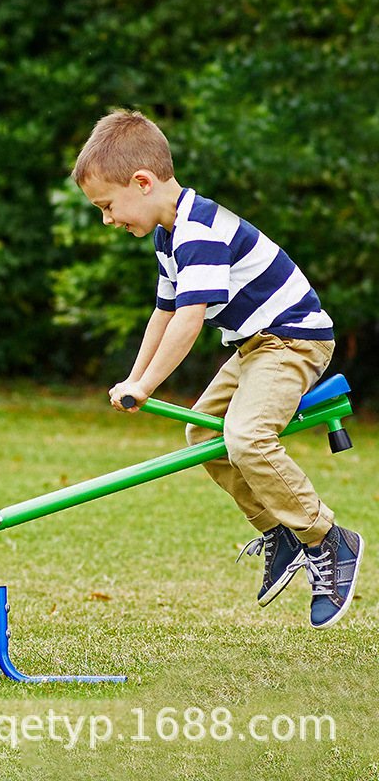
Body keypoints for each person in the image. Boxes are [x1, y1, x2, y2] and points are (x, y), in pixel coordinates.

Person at [71, 109, 363, 629]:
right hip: (253, 347)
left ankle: (328, 540)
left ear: (142, 182)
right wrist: (133, 380)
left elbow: (188, 319)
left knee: (247, 437)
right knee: (200, 435)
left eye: (108, 206)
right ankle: (280, 530)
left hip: (292, 341)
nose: (107, 219)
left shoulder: (199, 231)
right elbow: (161, 314)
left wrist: (146, 384)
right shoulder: (170, 237)